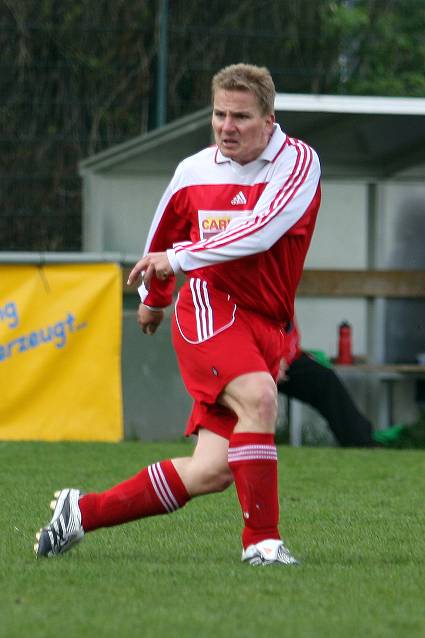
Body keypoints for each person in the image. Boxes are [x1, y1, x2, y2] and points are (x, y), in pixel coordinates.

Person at [34, 63, 321, 566]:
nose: (227, 127)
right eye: (219, 114)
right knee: (259, 397)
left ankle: (80, 512)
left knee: (212, 470)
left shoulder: (297, 162)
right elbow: (162, 238)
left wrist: (178, 258)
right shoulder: (194, 171)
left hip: (268, 322)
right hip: (211, 308)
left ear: (269, 121)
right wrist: (155, 297)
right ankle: (262, 544)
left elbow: (261, 231)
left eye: (241, 117)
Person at [277, 321, 375, 447]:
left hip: (284, 359)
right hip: (257, 358)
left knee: (324, 379)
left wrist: (282, 357)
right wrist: (272, 360)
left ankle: (361, 443)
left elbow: (289, 330)